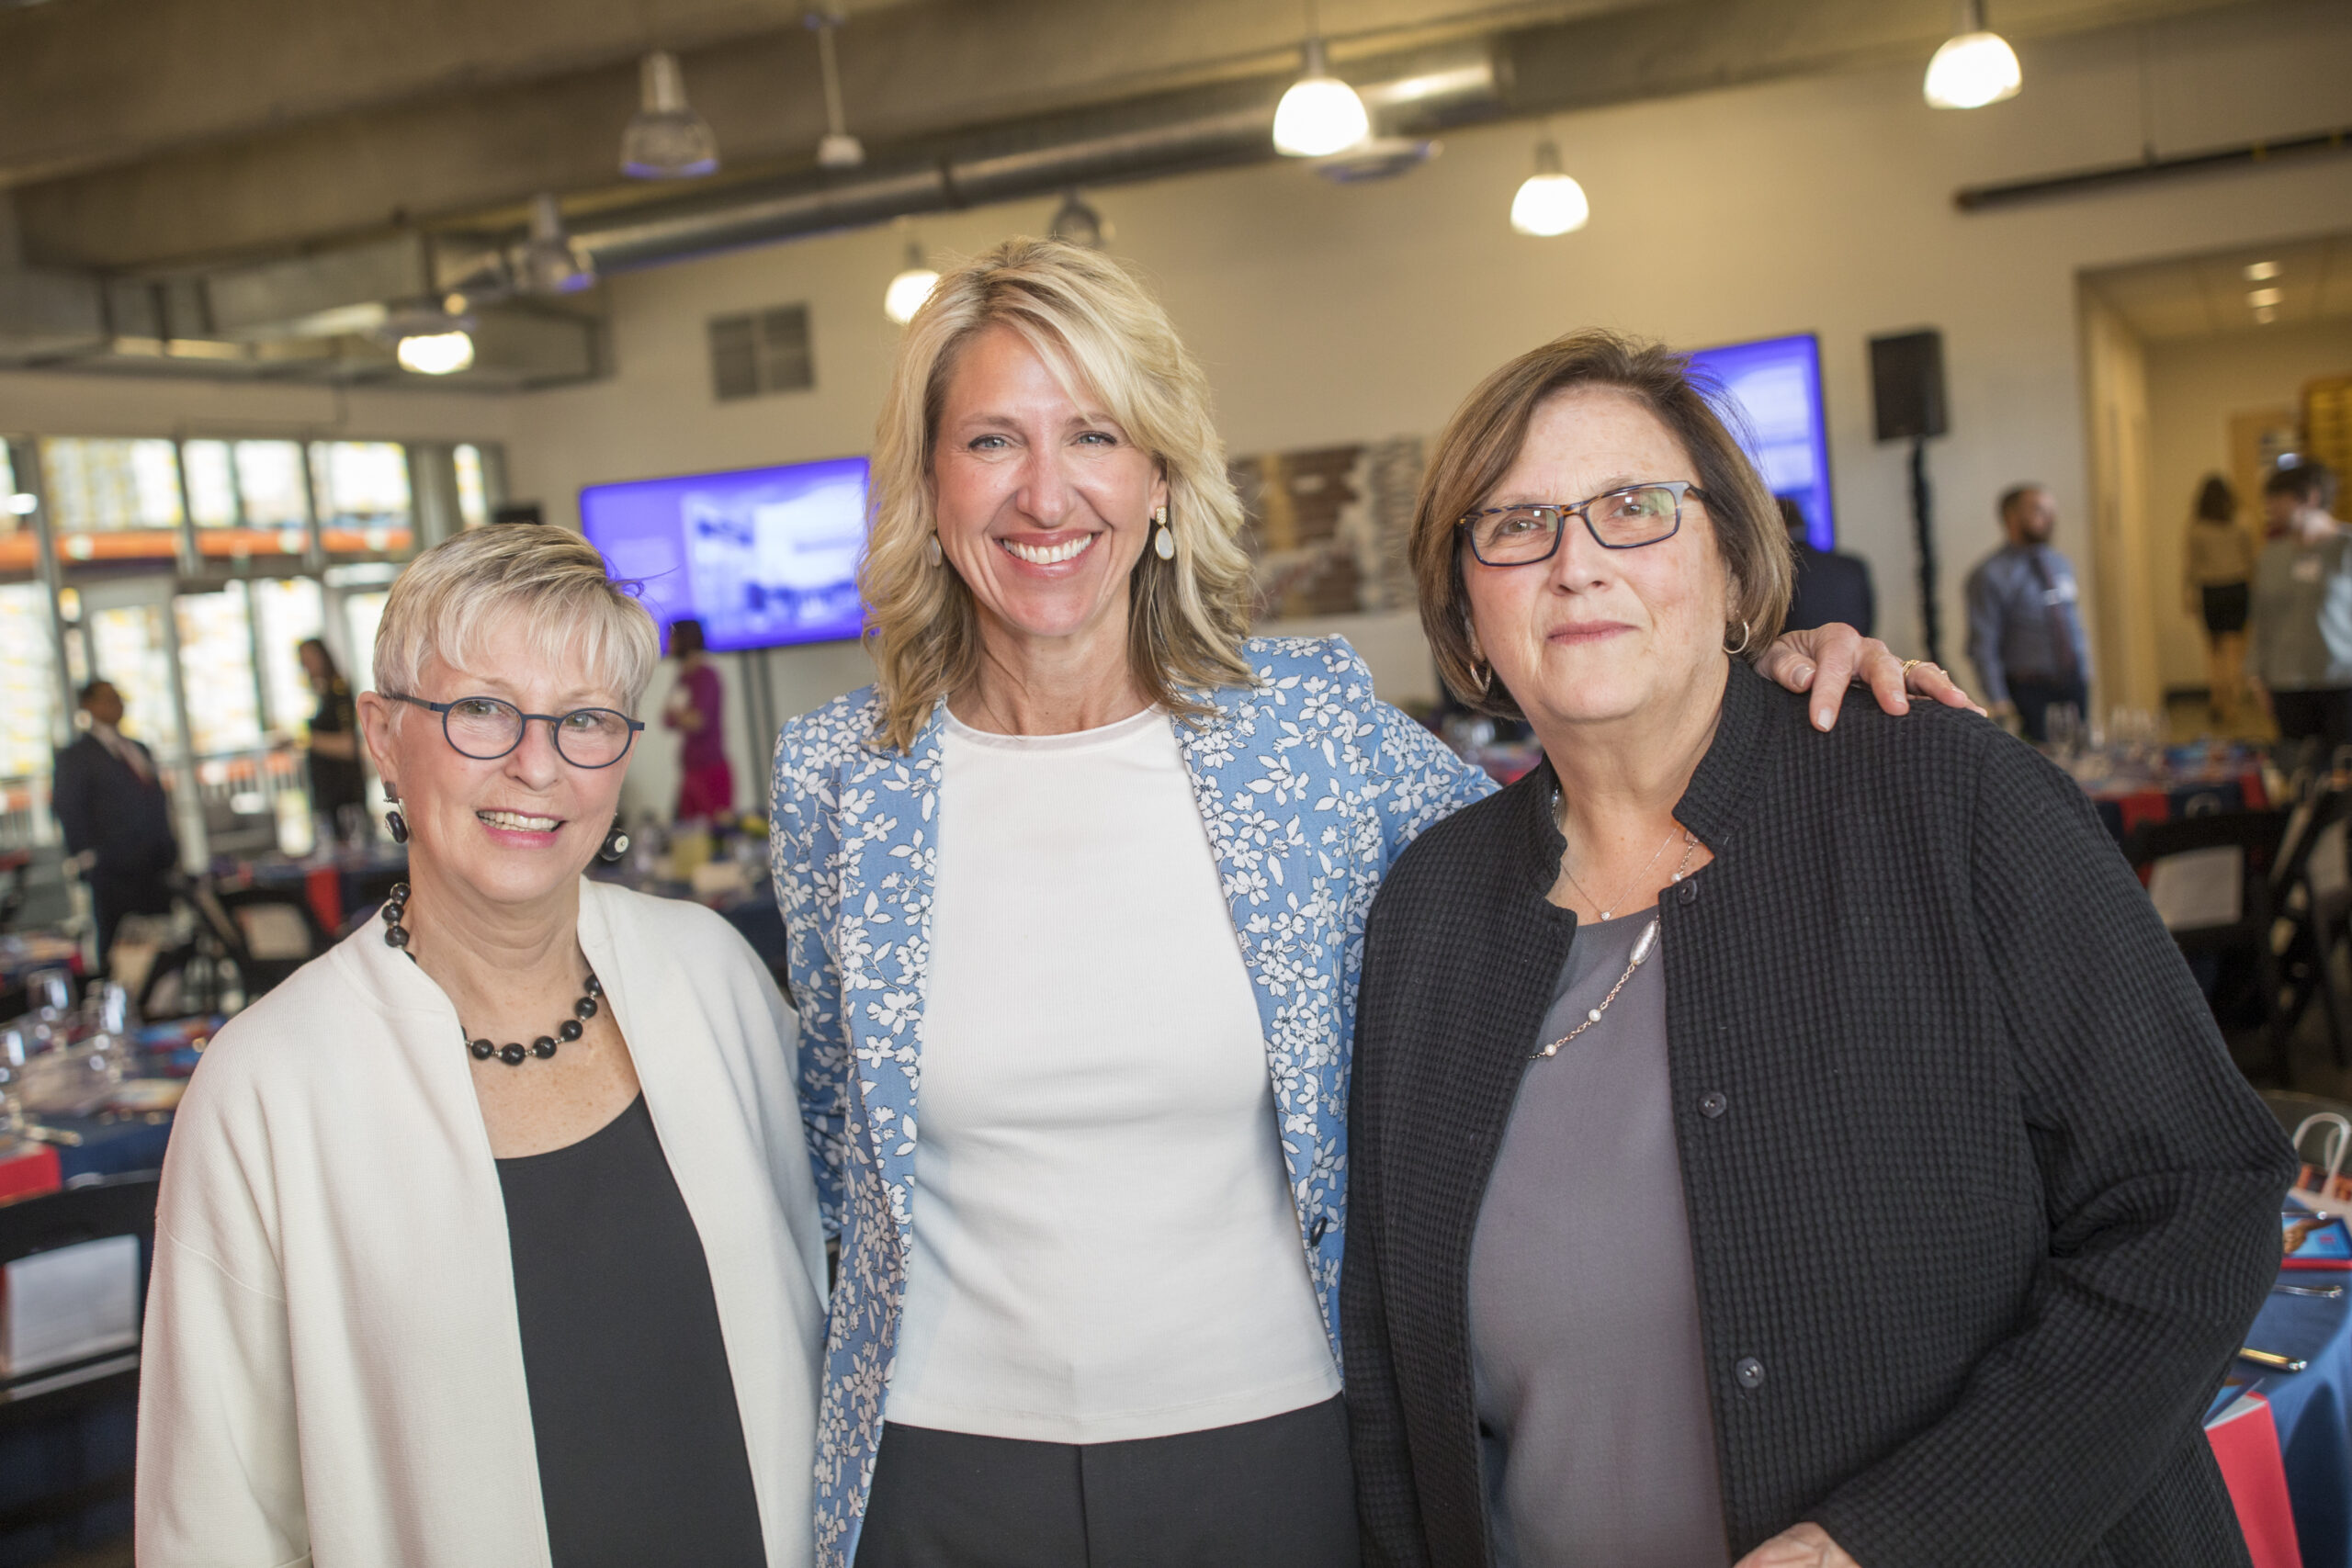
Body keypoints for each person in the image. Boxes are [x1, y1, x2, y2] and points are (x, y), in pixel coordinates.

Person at [769, 238, 1968, 1568]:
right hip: (938, 1469)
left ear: (1159, 477)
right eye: (993, 438)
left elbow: (1575, 822)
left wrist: (1760, 678)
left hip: (1272, 1448)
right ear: (932, 484)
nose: (1046, 490)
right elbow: (834, 1149)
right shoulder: (839, 784)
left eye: (1095, 433)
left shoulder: (1306, 736)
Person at [1343, 329, 2294, 1568]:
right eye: (1514, 524)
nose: (1576, 563)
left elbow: (2200, 1196)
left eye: (1634, 507)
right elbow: (1392, 1369)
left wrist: (1888, 1540)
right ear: (1467, 606)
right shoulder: (1429, 907)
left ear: (1736, 568)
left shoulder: (1945, 797)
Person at [139, 526, 828, 1568]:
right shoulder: (270, 1085)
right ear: (382, 733)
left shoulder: (712, 977)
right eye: (481, 711)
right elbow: (216, 1508)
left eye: (585, 720)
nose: (536, 764)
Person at [51, 679, 178, 964]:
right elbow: (69, 808)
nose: (116, 705)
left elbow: (154, 802)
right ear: (89, 706)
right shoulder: (77, 757)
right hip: (114, 869)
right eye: (108, 699)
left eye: (119, 698)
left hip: (154, 864)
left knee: (162, 947)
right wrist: (89, 858)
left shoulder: (138, 748)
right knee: (120, 950)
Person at [1964, 482, 2092, 742]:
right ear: (2012, 517)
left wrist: (2086, 670)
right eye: (2038, 510)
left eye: (2051, 510)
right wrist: (1999, 701)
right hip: (2028, 691)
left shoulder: (2060, 563)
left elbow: (2072, 621)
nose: (2050, 517)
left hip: (2072, 682)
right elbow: (1983, 643)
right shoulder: (1990, 574)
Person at [2249, 460, 2350, 765]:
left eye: (2278, 498)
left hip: (2341, 682)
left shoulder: (2345, 548)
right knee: (2299, 774)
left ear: (2311, 498)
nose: (2270, 507)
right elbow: (2262, 618)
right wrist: (2256, 676)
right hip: (2287, 685)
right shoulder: (2272, 556)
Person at [2183, 475, 2255, 727]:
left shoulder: (2197, 526)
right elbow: (2251, 559)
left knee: (2213, 651)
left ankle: (2217, 698)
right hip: (2236, 588)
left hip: (2211, 590)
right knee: (2233, 650)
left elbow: (2190, 565)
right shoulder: (2241, 521)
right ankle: (2232, 703)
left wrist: (2187, 594)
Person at [662, 616, 734, 822]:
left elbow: (698, 722)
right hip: (690, 769)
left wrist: (680, 716)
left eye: (671, 638)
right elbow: (667, 719)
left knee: (715, 835)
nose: (668, 644)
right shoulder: (683, 677)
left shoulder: (706, 675)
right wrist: (682, 717)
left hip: (711, 769)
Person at [297, 637, 369, 839]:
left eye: (309, 659)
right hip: (326, 794)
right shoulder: (317, 694)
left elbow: (348, 746)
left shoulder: (339, 692)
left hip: (345, 792)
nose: (307, 666)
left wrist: (308, 741)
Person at [1775, 497, 1872, 636]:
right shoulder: (1852, 566)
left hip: (1793, 655)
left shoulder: (1779, 573)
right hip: (1855, 654)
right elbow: (1867, 622)